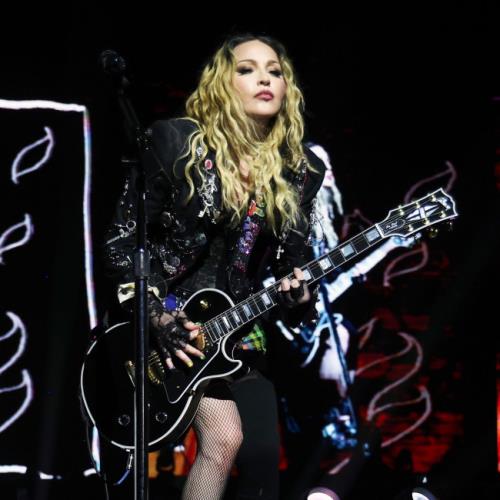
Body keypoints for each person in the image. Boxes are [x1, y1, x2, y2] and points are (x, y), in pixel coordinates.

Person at [101, 32, 326, 500]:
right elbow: (121, 243)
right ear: (223, 83)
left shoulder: (299, 170)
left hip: (237, 328)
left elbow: (295, 264)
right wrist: (158, 316)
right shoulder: (175, 142)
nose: (265, 79)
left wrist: (300, 291)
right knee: (224, 440)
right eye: (247, 69)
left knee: (260, 454)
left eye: (275, 71)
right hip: (163, 328)